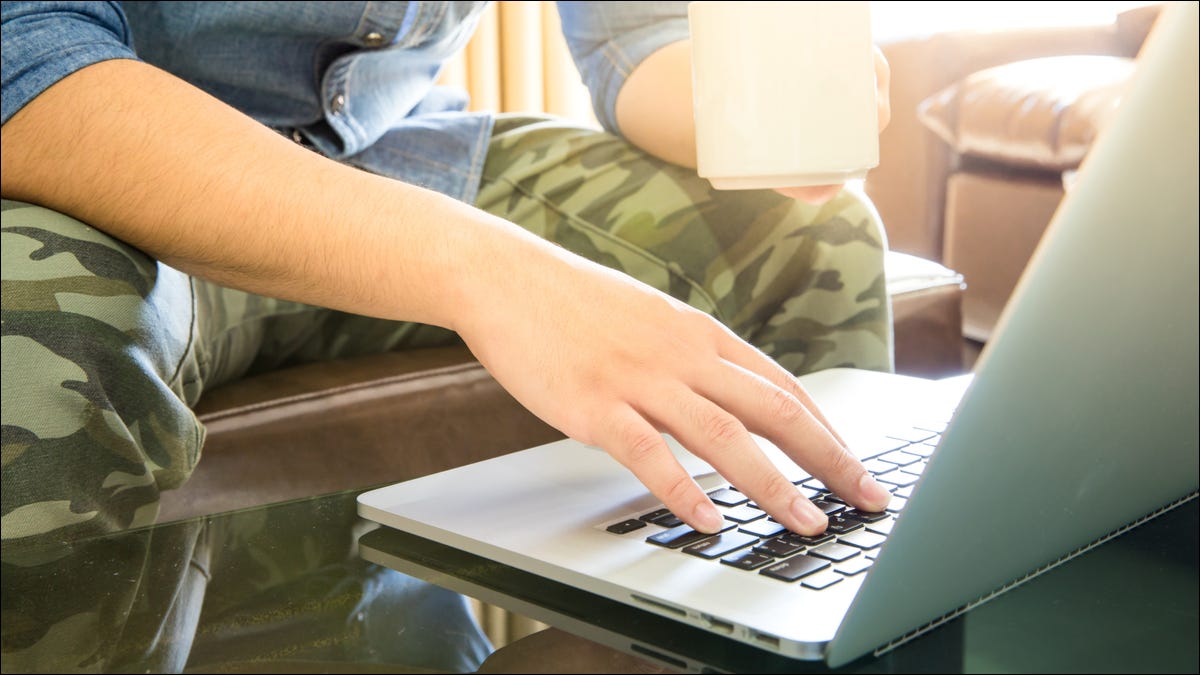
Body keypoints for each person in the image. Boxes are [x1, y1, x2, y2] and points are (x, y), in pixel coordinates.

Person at [0, 1, 894, 546]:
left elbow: (635, 37)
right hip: (105, 167)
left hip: (391, 152)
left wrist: (766, 105)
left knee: (809, 239)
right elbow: (25, 49)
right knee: (32, 359)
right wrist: (486, 269)